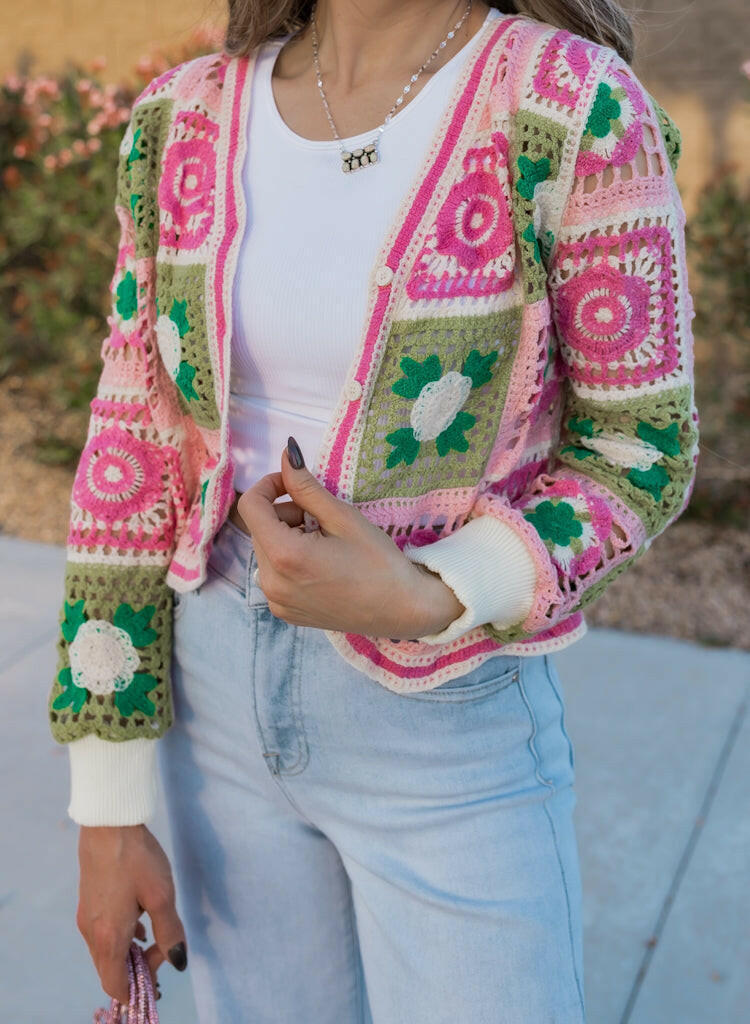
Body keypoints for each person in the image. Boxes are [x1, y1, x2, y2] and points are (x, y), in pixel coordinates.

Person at [51, 0, 698, 1020]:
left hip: (446, 721)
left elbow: (640, 448)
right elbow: (130, 446)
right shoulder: (185, 114)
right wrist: (108, 802)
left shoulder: (571, 106)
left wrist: (434, 589)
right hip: (213, 705)